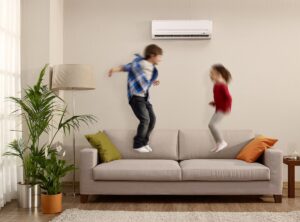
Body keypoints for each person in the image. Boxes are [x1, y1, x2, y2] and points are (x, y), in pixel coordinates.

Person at [108, 44, 163, 153]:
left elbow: (144, 80)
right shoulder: (140, 64)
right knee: (145, 119)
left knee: (152, 120)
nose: (161, 59)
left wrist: (153, 81)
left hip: (145, 98)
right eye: (159, 56)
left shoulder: (152, 68)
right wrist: (114, 69)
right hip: (136, 98)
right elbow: (126, 67)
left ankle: (144, 142)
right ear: (152, 55)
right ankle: (137, 144)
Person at [208, 64, 232, 152]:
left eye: (212, 73)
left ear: (218, 73)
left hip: (223, 109)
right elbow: (220, 98)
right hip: (219, 108)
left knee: (212, 124)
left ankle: (222, 142)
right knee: (212, 125)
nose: (210, 75)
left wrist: (228, 108)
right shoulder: (216, 84)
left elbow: (228, 97)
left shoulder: (222, 84)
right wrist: (214, 103)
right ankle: (218, 143)